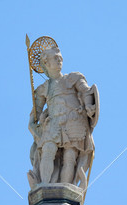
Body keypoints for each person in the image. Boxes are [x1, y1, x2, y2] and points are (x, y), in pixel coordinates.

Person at [28, 47, 98, 188]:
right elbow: (35, 113)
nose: (60, 59)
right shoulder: (43, 89)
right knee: (47, 150)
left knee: (70, 157)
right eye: (55, 57)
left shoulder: (74, 78)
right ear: (46, 63)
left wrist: (89, 106)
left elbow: (87, 92)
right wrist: (35, 126)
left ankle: (66, 188)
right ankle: (44, 185)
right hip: (53, 123)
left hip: (74, 120)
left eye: (60, 57)